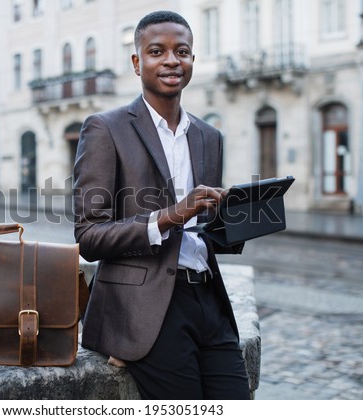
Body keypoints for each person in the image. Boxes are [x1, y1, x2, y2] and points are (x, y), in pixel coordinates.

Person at [73, 10, 250, 400]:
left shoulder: (209, 136)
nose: (171, 60)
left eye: (181, 51)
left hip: (209, 300)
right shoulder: (106, 128)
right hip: (146, 310)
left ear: (192, 61)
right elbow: (89, 236)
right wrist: (173, 214)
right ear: (137, 63)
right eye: (157, 51)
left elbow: (202, 234)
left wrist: (236, 219)